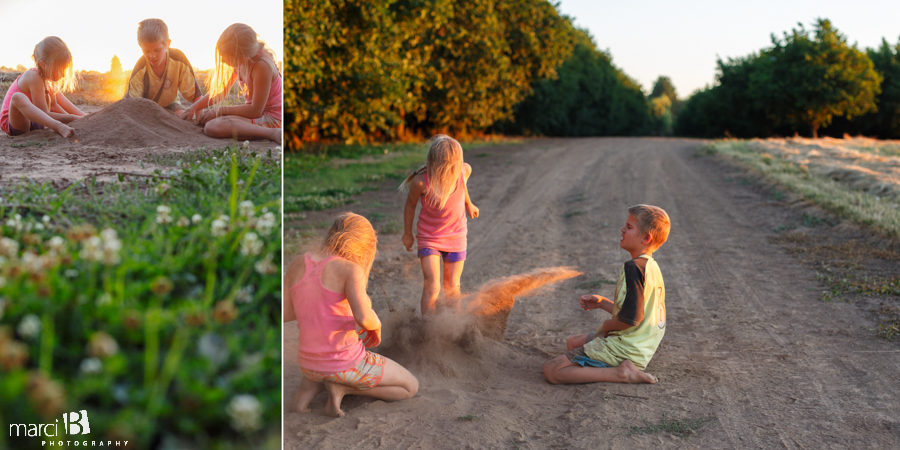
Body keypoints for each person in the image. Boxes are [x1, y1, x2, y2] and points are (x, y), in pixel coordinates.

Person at [284, 213, 418, 418]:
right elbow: (364, 318)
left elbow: (285, 314)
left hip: (308, 364)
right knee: (410, 387)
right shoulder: (350, 270)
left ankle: (309, 391)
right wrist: (376, 325)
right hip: (345, 363)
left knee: (320, 371)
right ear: (362, 246)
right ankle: (344, 388)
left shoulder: (296, 263)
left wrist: (315, 308)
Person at [543, 205, 671, 385]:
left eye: (629, 227)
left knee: (552, 370)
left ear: (646, 237)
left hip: (624, 348)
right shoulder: (651, 267)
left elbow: (631, 319)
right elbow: (636, 312)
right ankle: (617, 366)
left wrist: (605, 328)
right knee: (573, 343)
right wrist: (603, 303)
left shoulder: (633, 268)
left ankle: (622, 373)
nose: (623, 229)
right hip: (640, 347)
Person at [400, 135, 479, 315]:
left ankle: (453, 328)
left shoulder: (463, 171)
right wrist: (407, 234)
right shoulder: (421, 182)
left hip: (456, 237)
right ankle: (428, 329)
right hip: (430, 238)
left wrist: (469, 204)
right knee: (433, 285)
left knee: (452, 288)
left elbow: (463, 185)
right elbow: (410, 206)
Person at [182, 23, 281, 142]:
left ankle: (272, 133)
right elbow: (220, 92)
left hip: (273, 118)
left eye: (226, 57)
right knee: (211, 123)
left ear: (242, 56)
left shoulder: (262, 66)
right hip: (256, 115)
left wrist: (222, 110)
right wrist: (194, 107)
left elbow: (256, 110)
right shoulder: (239, 62)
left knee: (214, 126)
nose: (223, 59)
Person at [1, 36, 84, 138]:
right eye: (59, 69)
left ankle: (64, 123)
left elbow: (56, 106)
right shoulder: (33, 77)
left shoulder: (48, 80)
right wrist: (72, 118)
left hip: (37, 122)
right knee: (18, 97)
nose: (63, 75)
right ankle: (57, 126)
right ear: (43, 64)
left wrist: (84, 118)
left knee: (53, 94)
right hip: (16, 122)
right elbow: (44, 113)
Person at [124, 19, 203, 115]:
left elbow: (196, 96)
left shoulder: (178, 59)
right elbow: (131, 103)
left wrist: (200, 119)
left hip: (171, 105)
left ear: (168, 44)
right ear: (140, 46)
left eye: (157, 50)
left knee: (181, 116)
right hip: (146, 110)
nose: (152, 56)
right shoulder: (140, 68)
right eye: (146, 51)